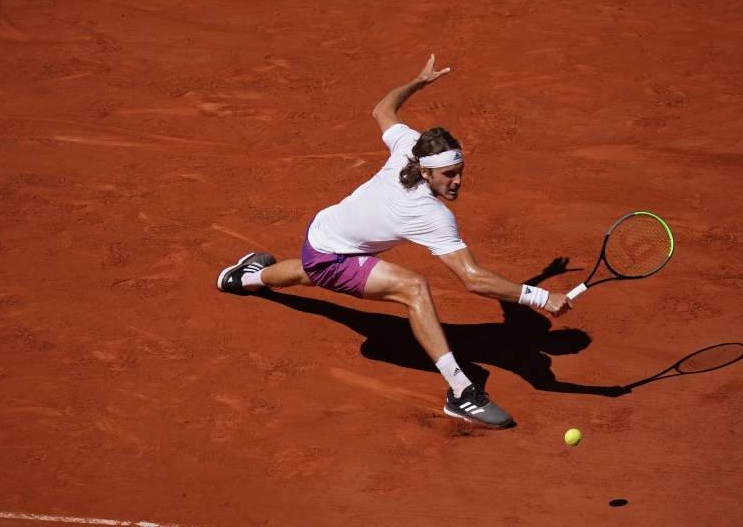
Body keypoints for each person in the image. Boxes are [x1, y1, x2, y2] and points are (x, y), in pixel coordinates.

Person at [217, 55, 573, 428]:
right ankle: (461, 393)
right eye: (449, 175)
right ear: (425, 170)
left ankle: (244, 278)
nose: (458, 182)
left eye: (460, 172)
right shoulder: (429, 214)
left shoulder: (410, 145)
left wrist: (418, 82)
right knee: (413, 287)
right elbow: (473, 279)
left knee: (309, 272)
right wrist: (540, 297)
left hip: (322, 233)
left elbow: (383, 108)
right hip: (333, 255)